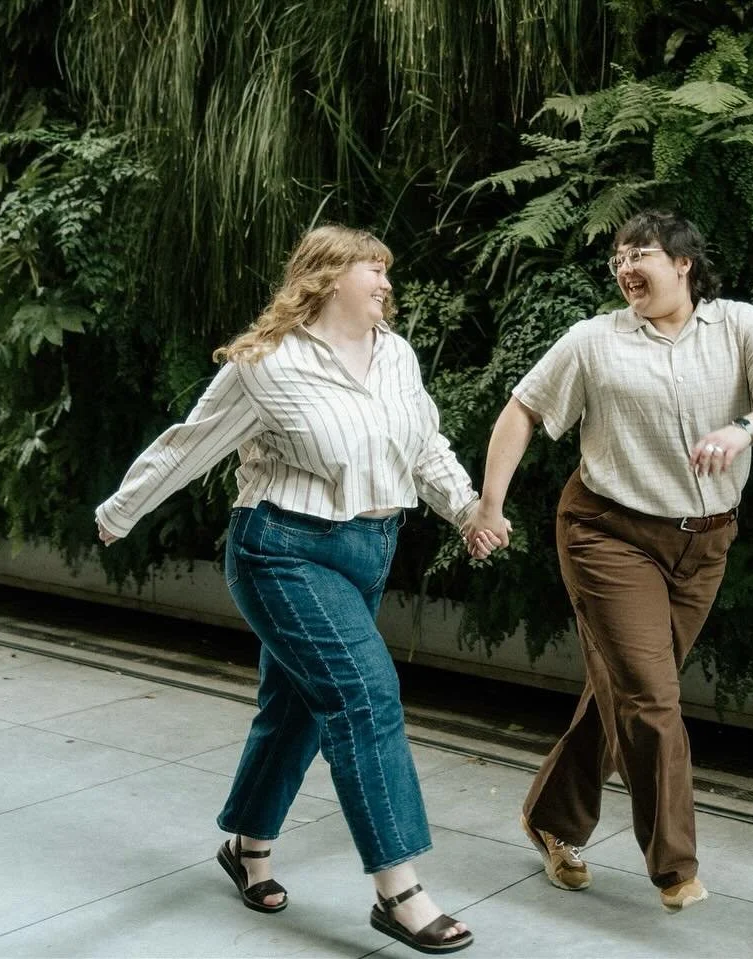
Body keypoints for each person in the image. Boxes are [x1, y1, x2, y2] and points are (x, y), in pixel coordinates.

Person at [96, 225, 493, 954]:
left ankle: (246, 844)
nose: (385, 280)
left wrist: (465, 507)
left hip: (369, 548)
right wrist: (121, 511)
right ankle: (399, 889)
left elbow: (425, 443)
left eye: (386, 269)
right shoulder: (265, 364)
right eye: (372, 267)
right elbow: (191, 442)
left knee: (296, 709)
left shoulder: (396, 355)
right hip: (282, 550)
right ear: (326, 276)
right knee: (363, 694)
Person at [463, 210, 753, 911]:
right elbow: (523, 409)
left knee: (624, 691)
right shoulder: (594, 341)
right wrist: (489, 502)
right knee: (652, 698)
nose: (627, 266)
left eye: (641, 252)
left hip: (704, 543)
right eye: (619, 257)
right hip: (607, 533)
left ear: (683, 263)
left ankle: (551, 820)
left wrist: (742, 431)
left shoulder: (740, 325)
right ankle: (675, 868)